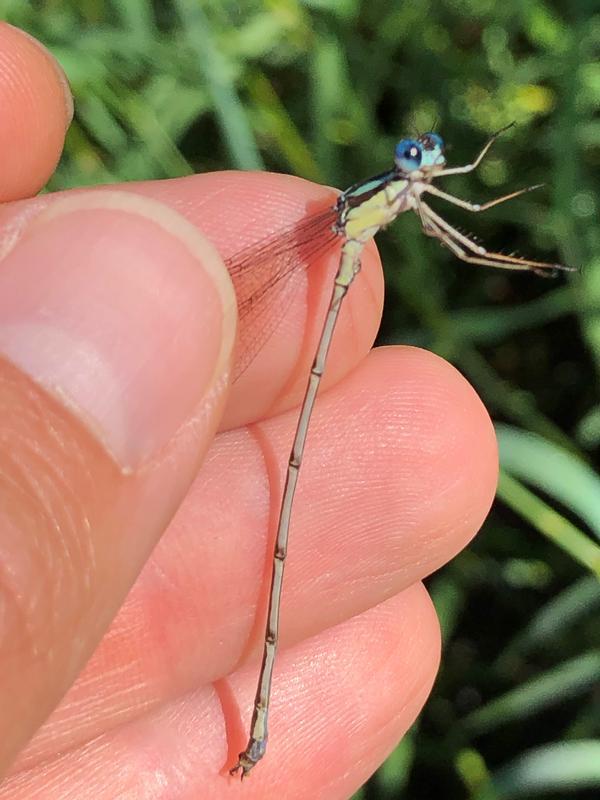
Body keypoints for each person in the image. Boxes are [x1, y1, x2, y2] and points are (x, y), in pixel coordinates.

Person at [0, 21, 497, 798]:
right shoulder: (371, 206)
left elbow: (458, 224)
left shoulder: (404, 191)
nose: (424, 166)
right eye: (417, 158)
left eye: (426, 160)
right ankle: (259, 723)